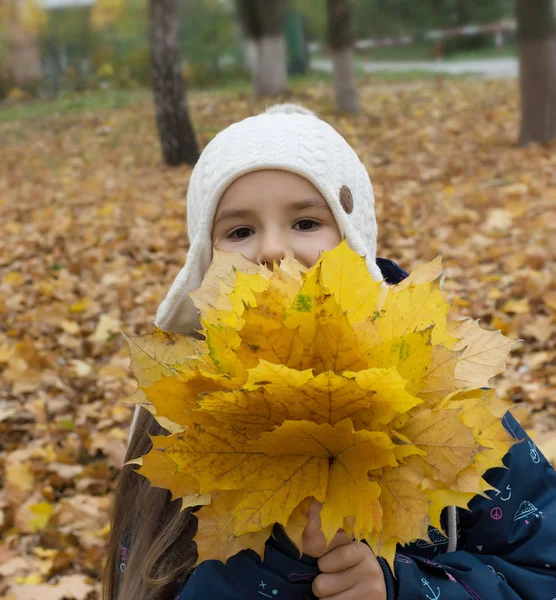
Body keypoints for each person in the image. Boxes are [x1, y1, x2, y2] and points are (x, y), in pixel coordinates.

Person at [103, 105, 556, 600]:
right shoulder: (182, 405)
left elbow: (541, 571)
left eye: (304, 222)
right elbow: (141, 576)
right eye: (239, 232)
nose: (272, 249)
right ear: (204, 263)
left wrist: (399, 587)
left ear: (354, 241)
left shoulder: (442, 392)